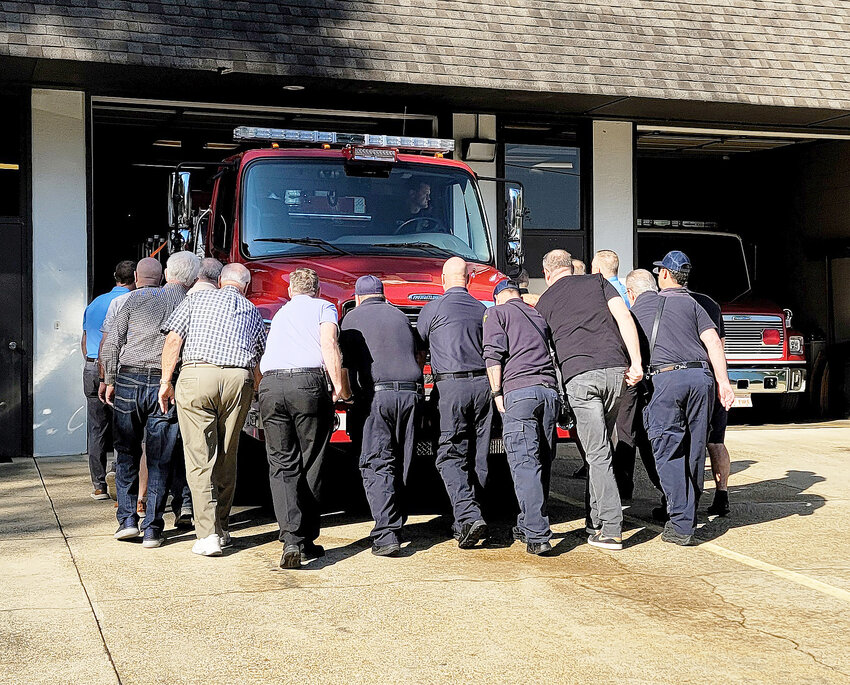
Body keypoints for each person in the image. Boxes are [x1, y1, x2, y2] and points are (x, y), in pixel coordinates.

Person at [535, 250, 643, 551]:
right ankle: (594, 520)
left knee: (596, 455)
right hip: (615, 373)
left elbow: (546, 351)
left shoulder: (544, 303)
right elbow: (623, 316)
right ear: (571, 268)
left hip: (580, 379)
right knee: (600, 450)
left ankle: (610, 529)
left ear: (546, 273)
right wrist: (636, 362)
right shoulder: (597, 282)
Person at [160, 262, 267, 557]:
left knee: (199, 456)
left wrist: (166, 381)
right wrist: (257, 392)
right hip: (238, 379)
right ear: (245, 285)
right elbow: (258, 359)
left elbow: (173, 339)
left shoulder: (196, 299)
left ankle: (207, 535)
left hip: (197, 375)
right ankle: (222, 528)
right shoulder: (251, 310)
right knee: (227, 454)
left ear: (220, 280)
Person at [631, 251, 735, 546]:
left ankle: (680, 524)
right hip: (702, 380)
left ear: (664, 274)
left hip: (668, 380)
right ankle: (686, 513)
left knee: (667, 450)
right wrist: (723, 383)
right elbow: (714, 342)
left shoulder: (645, 305)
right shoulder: (695, 304)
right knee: (694, 449)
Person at [102, 252, 199, 549]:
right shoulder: (187, 303)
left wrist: (108, 379)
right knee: (160, 458)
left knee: (126, 451)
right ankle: (153, 529)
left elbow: (112, 342)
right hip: (164, 384)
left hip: (129, 381)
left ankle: (127, 520)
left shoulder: (133, 300)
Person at [257, 267, 351, 568]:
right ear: (318, 289)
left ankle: (291, 539)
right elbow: (329, 344)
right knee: (312, 459)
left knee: (281, 463)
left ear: (290, 291)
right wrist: (338, 385)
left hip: (271, 384)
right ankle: (307, 536)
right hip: (307, 384)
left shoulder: (282, 313)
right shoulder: (324, 307)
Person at [340, 275, 424, 557]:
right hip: (411, 392)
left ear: (359, 297)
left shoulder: (351, 318)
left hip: (378, 394)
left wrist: (348, 395)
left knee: (377, 460)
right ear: (382, 295)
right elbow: (419, 351)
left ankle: (386, 533)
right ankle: (396, 521)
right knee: (402, 458)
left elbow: (345, 366)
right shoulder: (400, 316)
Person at [416, 257, 490, 549]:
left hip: (450, 387)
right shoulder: (482, 309)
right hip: (484, 385)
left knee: (449, 454)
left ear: (443, 279)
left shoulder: (432, 308)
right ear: (468, 280)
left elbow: (419, 353)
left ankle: (470, 516)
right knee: (479, 454)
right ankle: (471, 519)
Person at [483, 279, 559, 555]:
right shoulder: (537, 315)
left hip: (520, 392)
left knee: (524, 463)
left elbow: (493, 356)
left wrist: (496, 392)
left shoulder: (497, 313)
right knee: (543, 460)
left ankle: (538, 535)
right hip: (549, 392)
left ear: (497, 298)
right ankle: (528, 523)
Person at [81, 260, 135, 500]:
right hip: (117, 370)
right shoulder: (130, 303)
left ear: (115, 276)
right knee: (124, 428)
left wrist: (92, 363)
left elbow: (84, 340)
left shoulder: (94, 304)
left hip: (91, 366)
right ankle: (120, 477)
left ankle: (99, 484)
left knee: (96, 428)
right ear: (135, 276)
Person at [685, 281, 731, 517]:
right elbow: (719, 344)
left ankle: (686, 500)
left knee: (686, 442)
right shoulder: (710, 303)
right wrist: (723, 380)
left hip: (688, 376)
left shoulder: (670, 301)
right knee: (716, 441)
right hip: (713, 376)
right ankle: (722, 494)